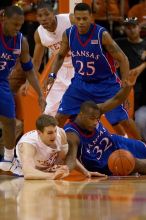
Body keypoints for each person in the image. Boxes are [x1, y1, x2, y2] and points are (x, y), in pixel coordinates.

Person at [48, 2, 141, 139]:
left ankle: (142, 148)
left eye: (84, 19)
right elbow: (60, 56)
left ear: (91, 17)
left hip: (105, 83)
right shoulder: (68, 34)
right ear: (74, 17)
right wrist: (52, 74)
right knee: (60, 116)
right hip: (80, 83)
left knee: (123, 120)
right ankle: (54, 150)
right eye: (78, 18)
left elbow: (123, 59)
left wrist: (124, 88)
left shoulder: (101, 34)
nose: (81, 22)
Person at [0, 5, 46, 176]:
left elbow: (29, 70)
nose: (17, 28)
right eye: (14, 24)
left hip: (2, 82)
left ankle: (8, 160)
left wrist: (40, 93)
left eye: (20, 25)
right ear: (4, 18)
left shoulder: (21, 41)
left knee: (10, 121)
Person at [64, 98, 146, 175]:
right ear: (81, 115)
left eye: (97, 119)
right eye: (92, 119)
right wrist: (63, 171)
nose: (95, 122)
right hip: (107, 162)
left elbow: (116, 99)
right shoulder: (71, 134)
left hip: (117, 142)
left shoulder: (94, 110)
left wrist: (126, 88)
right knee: (133, 162)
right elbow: (71, 158)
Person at [15, 114, 103, 179]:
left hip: (47, 168)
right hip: (23, 172)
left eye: (55, 131)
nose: (53, 135)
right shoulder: (29, 144)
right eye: (49, 133)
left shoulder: (60, 134)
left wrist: (86, 172)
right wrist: (52, 176)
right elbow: (28, 173)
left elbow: (67, 157)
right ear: (39, 133)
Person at [32, 2, 74, 116]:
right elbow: (36, 61)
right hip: (61, 69)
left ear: (54, 13)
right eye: (40, 16)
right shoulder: (39, 34)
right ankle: (50, 133)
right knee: (48, 111)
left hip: (80, 67)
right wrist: (29, 80)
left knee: (85, 108)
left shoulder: (69, 19)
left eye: (46, 14)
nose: (44, 18)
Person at [116, 17, 146, 141]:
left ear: (139, 28)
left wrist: (142, 66)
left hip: (143, 86)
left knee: (140, 118)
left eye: (134, 27)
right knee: (128, 117)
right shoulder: (119, 43)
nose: (132, 30)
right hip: (125, 86)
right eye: (128, 28)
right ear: (124, 29)